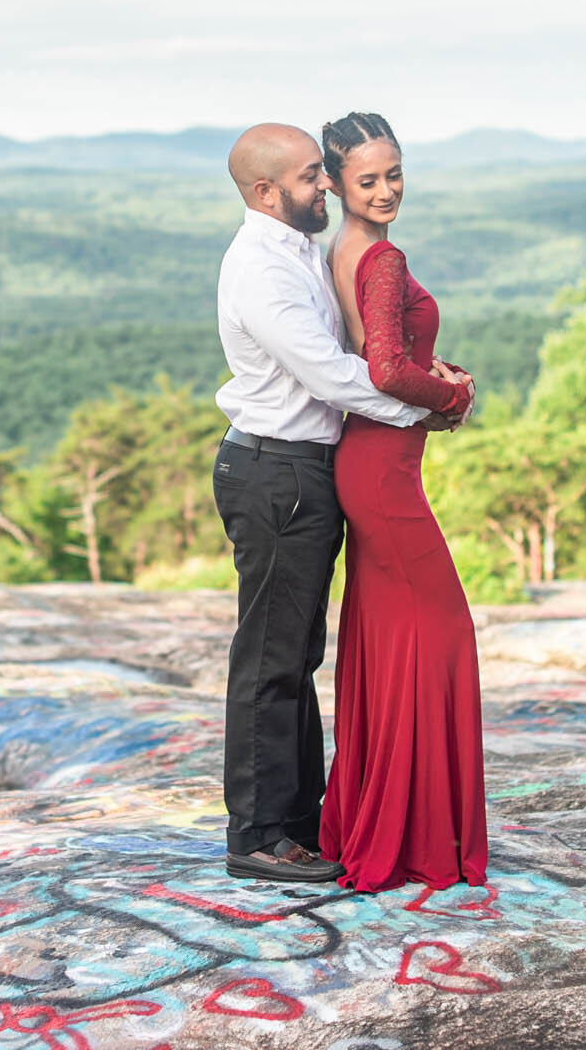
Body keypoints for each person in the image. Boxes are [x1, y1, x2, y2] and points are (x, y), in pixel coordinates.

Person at [212, 122, 467, 884]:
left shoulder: (300, 249)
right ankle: (256, 835)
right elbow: (331, 374)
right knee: (270, 660)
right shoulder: (261, 267)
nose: (323, 185)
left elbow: (364, 350)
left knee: (298, 655)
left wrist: (427, 374)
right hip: (276, 472)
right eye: (309, 176)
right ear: (265, 192)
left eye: (323, 172)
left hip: (303, 470)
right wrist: (431, 406)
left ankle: (296, 820)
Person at [316, 111, 488, 893]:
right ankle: (420, 836)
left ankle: (390, 818)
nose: (386, 191)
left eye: (394, 174)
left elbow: (378, 350)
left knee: (391, 643)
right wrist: (448, 398)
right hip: (385, 470)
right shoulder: (381, 258)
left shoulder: (341, 249)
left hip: (369, 460)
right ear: (338, 181)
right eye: (367, 179)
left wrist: (432, 366)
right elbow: (386, 368)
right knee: (444, 632)